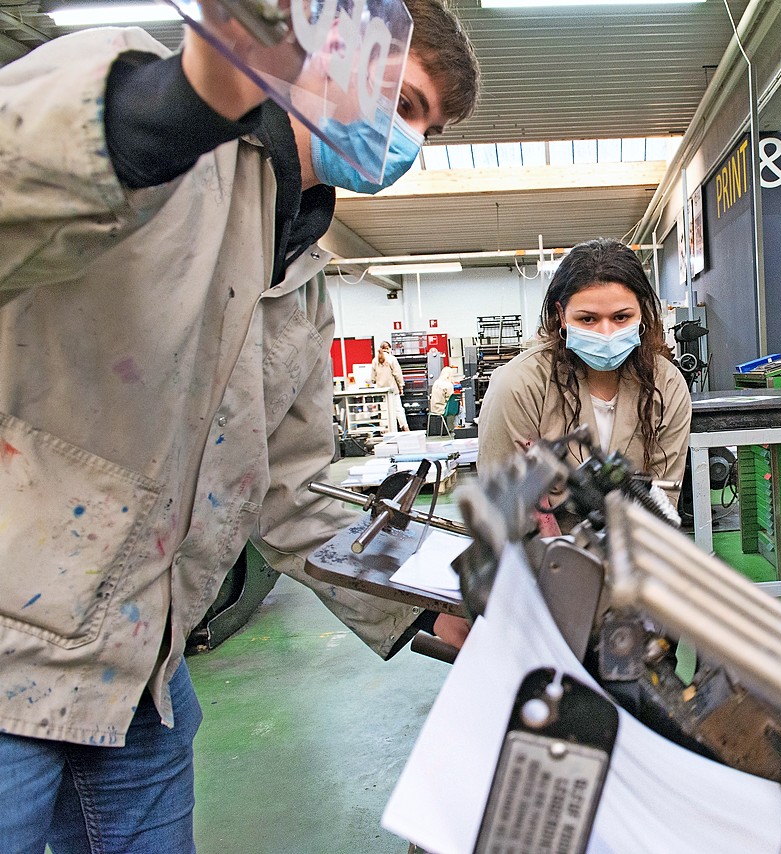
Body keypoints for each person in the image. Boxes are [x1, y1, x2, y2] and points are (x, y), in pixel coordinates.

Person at [0, 2, 478, 850]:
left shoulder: (301, 271)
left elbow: (291, 494)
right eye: (404, 104)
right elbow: (27, 169)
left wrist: (435, 603)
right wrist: (188, 96)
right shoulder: (156, 118)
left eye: (427, 130)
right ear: (333, 59)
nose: (409, 145)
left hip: (143, 664)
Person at [478, 239, 692, 530]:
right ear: (561, 315)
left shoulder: (665, 385)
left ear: (641, 311)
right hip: (543, 557)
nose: (606, 333)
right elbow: (503, 503)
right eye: (588, 319)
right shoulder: (518, 385)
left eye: (621, 317)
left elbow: (662, 499)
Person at [374, 341, 411, 432]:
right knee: (398, 409)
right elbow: (397, 374)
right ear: (389, 349)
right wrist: (401, 386)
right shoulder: (392, 359)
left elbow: (373, 377)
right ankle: (405, 428)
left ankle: (385, 430)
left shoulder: (375, 360)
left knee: (384, 410)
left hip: (381, 390)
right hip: (392, 389)